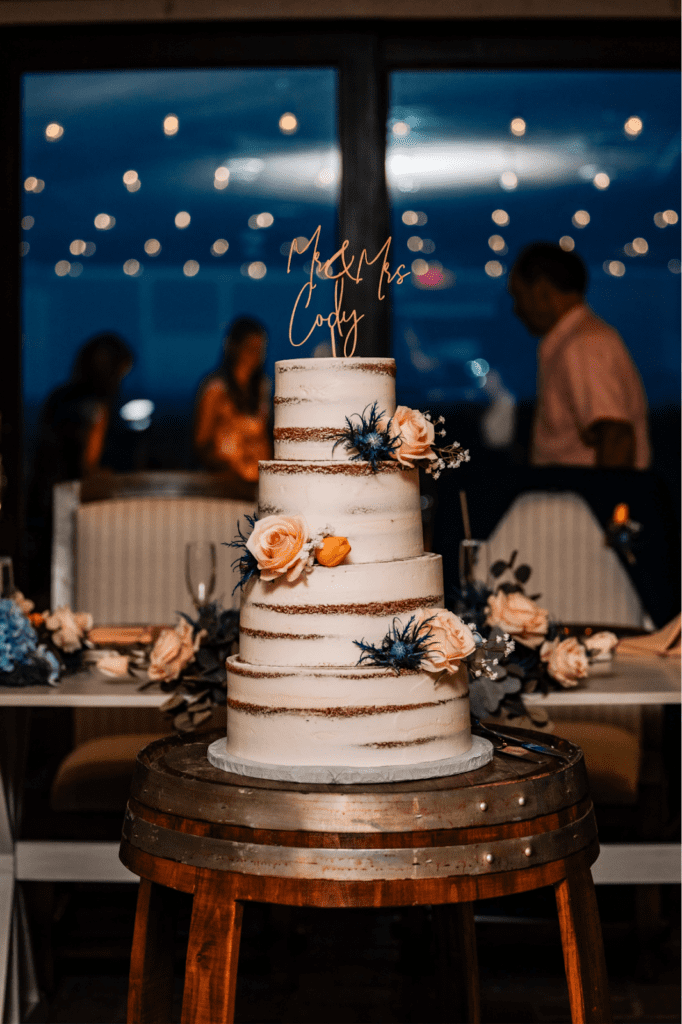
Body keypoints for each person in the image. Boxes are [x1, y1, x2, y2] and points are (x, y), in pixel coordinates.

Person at [508, 243, 651, 470]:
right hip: (577, 498)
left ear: (542, 291)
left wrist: (607, 504)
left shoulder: (583, 344)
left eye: (518, 295)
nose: (516, 309)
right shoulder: (579, 340)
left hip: (581, 501)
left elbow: (615, 437)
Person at [193, 317, 272, 483]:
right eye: (250, 348)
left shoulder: (262, 388)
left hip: (257, 480)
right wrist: (228, 466)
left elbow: (264, 436)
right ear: (235, 347)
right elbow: (201, 443)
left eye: (260, 349)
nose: (255, 355)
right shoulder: (216, 388)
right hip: (224, 481)